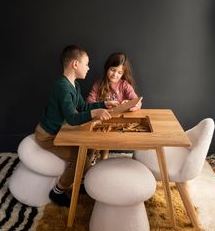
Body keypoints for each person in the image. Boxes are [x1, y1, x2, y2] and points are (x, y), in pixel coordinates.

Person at [35, 45, 119, 207]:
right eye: (86, 64)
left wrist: (104, 104)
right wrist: (96, 113)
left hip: (60, 132)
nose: (88, 68)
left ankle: (80, 183)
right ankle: (57, 191)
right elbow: (73, 119)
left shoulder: (74, 85)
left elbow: (82, 107)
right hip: (48, 136)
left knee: (87, 149)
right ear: (75, 64)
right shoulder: (63, 88)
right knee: (81, 160)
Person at [86, 52, 142, 160]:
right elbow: (88, 101)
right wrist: (101, 105)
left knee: (105, 145)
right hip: (99, 120)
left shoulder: (124, 85)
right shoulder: (99, 84)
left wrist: (129, 105)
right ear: (107, 68)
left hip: (115, 123)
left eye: (119, 72)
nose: (115, 75)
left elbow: (137, 102)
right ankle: (92, 154)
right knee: (92, 145)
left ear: (123, 74)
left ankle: (104, 156)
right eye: (112, 70)